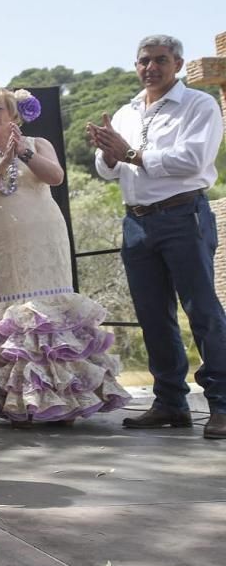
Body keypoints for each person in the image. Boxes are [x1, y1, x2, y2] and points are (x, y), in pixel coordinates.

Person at [0, 88, 130, 426]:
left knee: (51, 309)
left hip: (44, 233)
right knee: (17, 312)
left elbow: (55, 176)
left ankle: (66, 399)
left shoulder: (38, 143)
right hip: (5, 239)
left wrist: (23, 153)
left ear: (14, 115)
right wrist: (3, 163)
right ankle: (23, 403)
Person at [88, 34, 226, 439]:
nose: (151, 67)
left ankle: (222, 404)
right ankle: (170, 402)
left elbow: (193, 160)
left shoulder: (198, 105)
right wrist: (108, 152)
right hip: (137, 223)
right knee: (153, 317)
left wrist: (130, 153)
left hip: (183, 215)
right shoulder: (127, 110)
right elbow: (108, 170)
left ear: (178, 64)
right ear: (136, 66)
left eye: (160, 59)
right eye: (144, 60)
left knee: (202, 311)